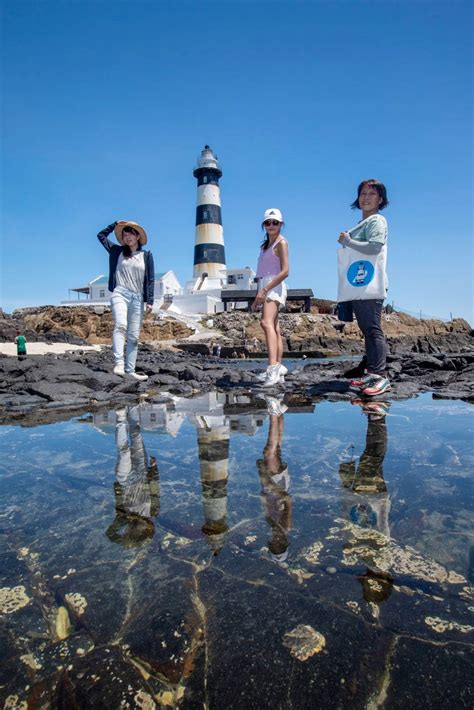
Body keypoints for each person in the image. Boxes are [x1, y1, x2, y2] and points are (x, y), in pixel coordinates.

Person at [338, 180, 390, 396]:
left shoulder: (377, 220)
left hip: (369, 284)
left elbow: (375, 247)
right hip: (359, 284)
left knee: (372, 329)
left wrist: (348, 242)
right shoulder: (362, 223)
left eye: (372, 193)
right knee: (367, 330)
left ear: (380, 199)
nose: (366, 197)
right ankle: (371, 372)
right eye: (363, 193)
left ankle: (380, 376)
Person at [97, 220, 154, 381]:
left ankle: (130, 370)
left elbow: (150, 280)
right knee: (121, 325)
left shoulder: (146, 256)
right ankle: (119, 364)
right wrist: (114, 225)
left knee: (134, 336)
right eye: (124, 234)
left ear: (137, 236)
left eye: (130, 234)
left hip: (138, 298)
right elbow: (100, 236)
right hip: (120, 293)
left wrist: (150, 300)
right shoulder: (116, 251)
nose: (127, 237)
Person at [106, 406, 160, 549]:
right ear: (149, 528)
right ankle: (134, 406)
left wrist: (124, 542)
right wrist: (154, 469)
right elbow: (155, 490)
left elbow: (110, 534)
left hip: (125, 480)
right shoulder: (153, 511)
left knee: (124, 452)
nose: (136, 529)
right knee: (136, 434)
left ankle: (121, 417)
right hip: (142, 472)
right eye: (141, 531)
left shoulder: (123, 518)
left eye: (133, 532)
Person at [252, 208, 290, 387]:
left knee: (266, 323)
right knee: (274, 326)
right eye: (268, 222)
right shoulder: (264, 246)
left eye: (275, 222)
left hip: (274, 285)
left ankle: (273, 367)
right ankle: (278, 367)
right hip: (265, 284)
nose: (271, 225)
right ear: (264, 225)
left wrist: (265, 289)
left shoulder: (281, 243)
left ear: (281, 224)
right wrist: (259, 291)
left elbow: (285, 271)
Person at [257, 396, 292, 563]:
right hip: (277, 485)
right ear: (285, 543)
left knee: (276, 449)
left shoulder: (272, 526)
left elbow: (264, 500)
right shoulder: (285, 527)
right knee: (269, 452)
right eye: (280, 545)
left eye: (274, 545)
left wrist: (261, 477)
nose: (276, 542)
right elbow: (288, 499)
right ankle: (273, 411)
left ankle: (279, 411)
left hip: (272, 485)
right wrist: (268, 481)